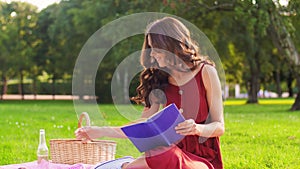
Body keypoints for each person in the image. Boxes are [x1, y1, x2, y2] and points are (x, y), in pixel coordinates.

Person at [75, 16, 224, 169]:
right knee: (158, 152)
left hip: (203, 160)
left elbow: (219, 126)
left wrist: (197, 129)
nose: (152, 54)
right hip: (171, 151)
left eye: (155, 48)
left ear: (171, 46)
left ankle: (124, 166)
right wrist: (100, 131)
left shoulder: (206, 72)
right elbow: (142, 124)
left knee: (166, 156)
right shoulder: (157, 79)